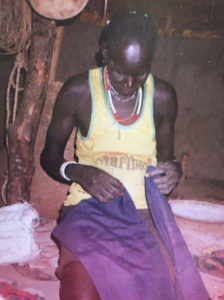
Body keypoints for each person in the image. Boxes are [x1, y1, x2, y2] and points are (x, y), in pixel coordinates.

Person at [41, 11, 209, 300]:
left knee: (168, 287)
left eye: (140, 73)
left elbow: (167, 160)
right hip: (87, 210)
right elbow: (49, 156)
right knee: (82, 289)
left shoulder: (163, 97)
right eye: (121, 72)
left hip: (143, 214)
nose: (130, 83)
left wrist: (172, 173)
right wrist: (80, 173)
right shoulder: (79, 91)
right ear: (104, 53)